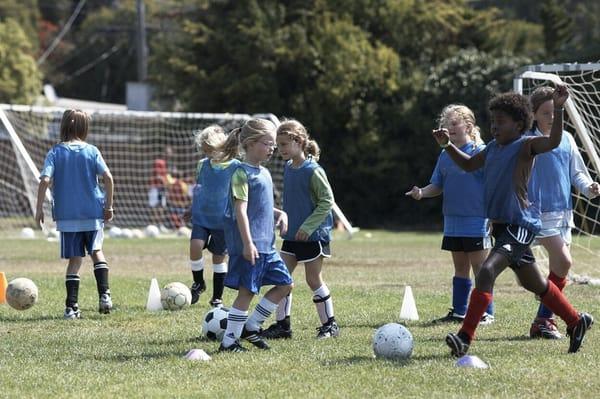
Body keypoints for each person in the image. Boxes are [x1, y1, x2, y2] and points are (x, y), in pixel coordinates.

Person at [432, 86, 593, 356]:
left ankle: (464, 338)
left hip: (520, 227)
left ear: (519, 124)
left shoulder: (526, 145)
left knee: (485, 272)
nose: (494, 127)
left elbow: (552, 142)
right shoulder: (493, 148)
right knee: (537, 285)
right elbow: (470, 165)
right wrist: (447, 146)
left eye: (501, 122)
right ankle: (576, 322)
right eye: (492, 121)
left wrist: (560, 108)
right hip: (502, 228)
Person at [406, 105, 494, 325]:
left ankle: (486, 313)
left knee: (480, 269)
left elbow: (493, 183)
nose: (449, 128)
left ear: (469, 126)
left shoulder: (480, 151)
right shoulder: (445, 155)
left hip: (476, 220)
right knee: (460, 268)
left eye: (454, 123)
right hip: (453, 221)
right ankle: (459, 312)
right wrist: (421, 193)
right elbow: (437, 185)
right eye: (447, 125)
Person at [526, 87, 600, 339]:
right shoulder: (528, 141)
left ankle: (542, 321)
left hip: (564, 213)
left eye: (555, 112)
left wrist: (589, 187)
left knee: (559, 268)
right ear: (533, 114)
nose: (552, 117)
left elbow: (576, 172)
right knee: (565, 261)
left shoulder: (567, 138)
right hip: (538, 214)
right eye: (546, 112)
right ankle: (548, 319)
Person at [218, 118, 294, 352]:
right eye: (267, 143)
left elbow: (260, 205)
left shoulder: (265, 173)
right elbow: (241, 210)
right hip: (250, 246)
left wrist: (280, 213)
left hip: (267, 246)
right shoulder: (240, 173)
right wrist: (248, 243)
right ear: (250, 143)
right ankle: (229, 341)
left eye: (273, 144)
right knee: (247, 292)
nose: (272, 148)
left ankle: (252, 326)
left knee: (285, 284)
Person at [261, 119, 338, 340]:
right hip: (292, 235)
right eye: (278, 145)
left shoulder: (313, 170)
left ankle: (330, 326)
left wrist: (308, 226)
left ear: (299, 141)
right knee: (282, 279)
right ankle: (282, 326)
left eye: (284, 144)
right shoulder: (288, 168)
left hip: (313, 235)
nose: (280, 150)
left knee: (313, 280)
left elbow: (327, 201)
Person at [35, 109, 114, 319]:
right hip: (92, 213)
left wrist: (38, 209)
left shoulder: (55, 152)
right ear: (84, 128)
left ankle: (71, 308)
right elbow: (108, 177)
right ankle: (105, 295)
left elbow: (44, 180)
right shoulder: (92, 150)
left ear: (63, 126)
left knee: (75, 260)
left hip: (67, 217)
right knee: (97, 251)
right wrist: (108, 207)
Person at [183, 125, 240, 307]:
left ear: (221, 147)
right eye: (205, 150)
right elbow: (200, 189)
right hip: (201, 217)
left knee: (218, 258)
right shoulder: (202, 165)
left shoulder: (235, 167)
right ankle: (199, 282)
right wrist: (190, 209)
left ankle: (217, 296)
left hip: (222, 220)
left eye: (210, 150)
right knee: (195, 246)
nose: (207, 154)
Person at [148, 145, 172, 231]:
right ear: (164, 153)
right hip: (155, 187)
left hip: (161, 188)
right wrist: (168, 181)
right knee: (154, 206)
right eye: (168, 152)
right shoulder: (159, 162)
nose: (170, 154)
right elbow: (158, 176)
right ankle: (154, 226)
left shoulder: (165, 163)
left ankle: (160, 225)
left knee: (162, 206)